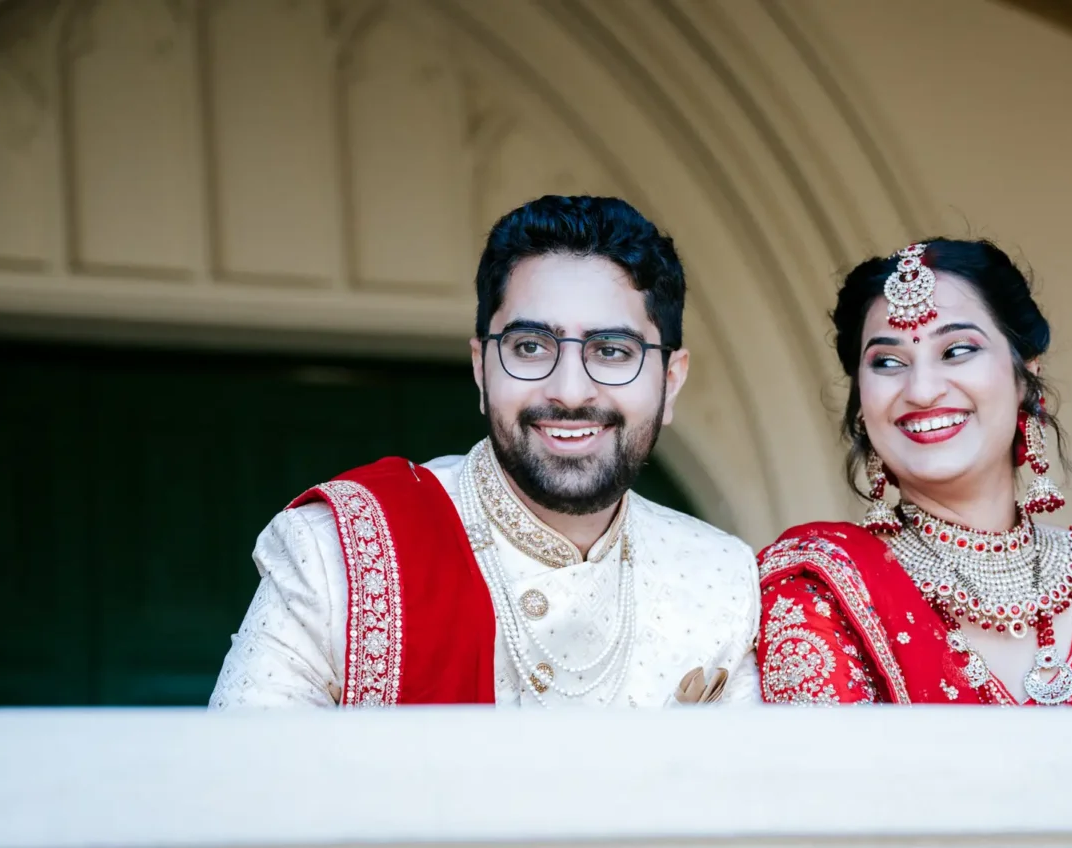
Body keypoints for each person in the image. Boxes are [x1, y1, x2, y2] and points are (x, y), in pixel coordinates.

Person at [211, 195, 760, 709]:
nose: (569, 391)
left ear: (671, 379)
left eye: (613, 351)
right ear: (481, 368)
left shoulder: (719, 578)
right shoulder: (337, 552)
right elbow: (238, 790)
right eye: (529, 347)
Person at [756, 239, 1072, 707]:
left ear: (1026, 376)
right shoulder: (821, 589)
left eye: (957, 350)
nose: (921, 390)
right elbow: (837, 778)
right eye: (889, 362)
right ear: (862, 405)